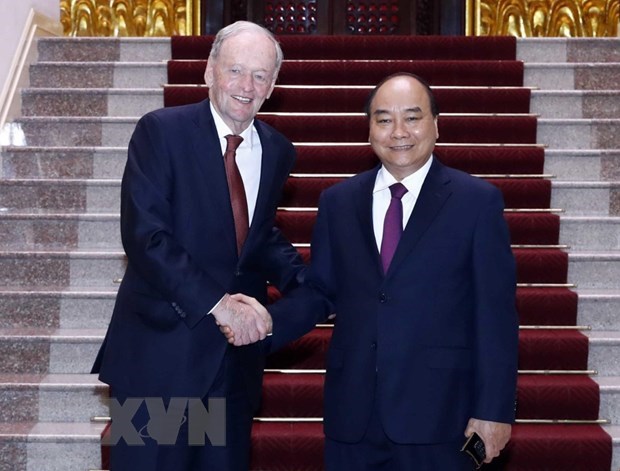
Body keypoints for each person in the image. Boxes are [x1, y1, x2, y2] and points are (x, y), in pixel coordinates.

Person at [229, 72, 519, 469]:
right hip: (354, 417)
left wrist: (495, 410)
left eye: (412, 117)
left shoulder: (477, 203)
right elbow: (320, 291)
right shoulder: (339, 202)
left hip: (441, 417)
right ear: (369, 130)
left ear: (436, 124)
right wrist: (264, 322)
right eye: (383, 120)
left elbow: (495, 316)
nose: (398, 131)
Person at [91, 21, 306, 470]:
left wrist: (309, 280)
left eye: (261, 75)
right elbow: (146, 236)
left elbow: (255, 234)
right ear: (209, 71)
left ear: (273, 85)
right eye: (235, 70)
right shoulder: (161, 132)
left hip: (233, 368)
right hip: (159, 361)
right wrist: (219, 304)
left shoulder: (278, 149)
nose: (247, 86)